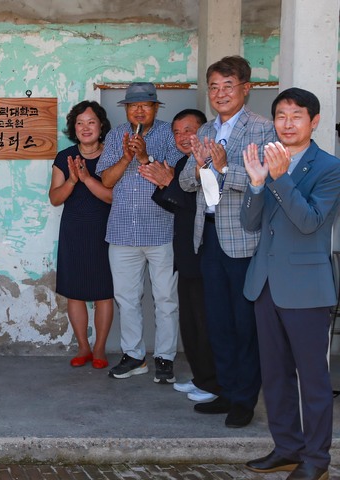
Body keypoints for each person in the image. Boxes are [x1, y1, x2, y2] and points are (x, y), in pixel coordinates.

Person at [242, 88, 339, 480]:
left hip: (307, 290)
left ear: (313, 122)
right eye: (281, 115)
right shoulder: (268, 159)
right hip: (265, 284)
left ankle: (316, 460)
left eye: (296, 115)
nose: (287, 123)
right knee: (275, 375)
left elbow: (310, 222)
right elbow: (251, 224)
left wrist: (279, 181)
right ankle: (286, 448)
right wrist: (255, 185)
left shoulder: (329, 168)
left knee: (313, 379)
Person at [179, 55, 276, 428]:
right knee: (216, 321)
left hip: (244, 241)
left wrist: (222, 168)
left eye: (227, 86)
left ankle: (245, 400)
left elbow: (265, 181)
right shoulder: (204, 132)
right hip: (207, 237)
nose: (220, 94)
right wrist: (200, 164)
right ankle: (225, 390)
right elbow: (188, 183)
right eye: (214, 87)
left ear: (246, 89)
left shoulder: (263, 130)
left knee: (243, 323)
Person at [95, 82, 182, 384]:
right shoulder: (115, 134)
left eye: (146, 104)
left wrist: (145, 157)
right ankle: (134, 356)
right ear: (126, 109)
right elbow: (106, 181)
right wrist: (125, 159)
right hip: (121, 232)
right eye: (134, 106)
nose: (140, 110)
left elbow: (174, 178)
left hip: (162, 231)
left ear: (156, 107)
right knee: (127, 299)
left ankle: (165, 358)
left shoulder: (170, 133)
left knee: (165, 299)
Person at [139, 109, 220, 403]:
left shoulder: (207, 162)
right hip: (185, 254)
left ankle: (213, 383)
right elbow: (176, 204)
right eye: (177, 132)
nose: (183, 137)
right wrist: (165, 184)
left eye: (189, 130)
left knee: (205, 321)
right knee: (190, 322)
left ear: (204, 131)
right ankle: (201, 378)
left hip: (203, 253)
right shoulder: (183, 163)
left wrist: (166, 183)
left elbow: (205, 205)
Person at [49, 100, 114, 369]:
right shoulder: (64, 158)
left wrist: (87, 179)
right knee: (74, 292)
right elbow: (54, 198)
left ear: (101, 126)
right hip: (74, 231)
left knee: (104, 293)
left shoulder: (112, 155)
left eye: (91, 122)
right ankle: (83, 347)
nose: (85, 128)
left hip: (107, 231)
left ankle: (99, 349)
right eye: (80, 123)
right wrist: (73, 180)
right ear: (73, 128)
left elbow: (113, 197)